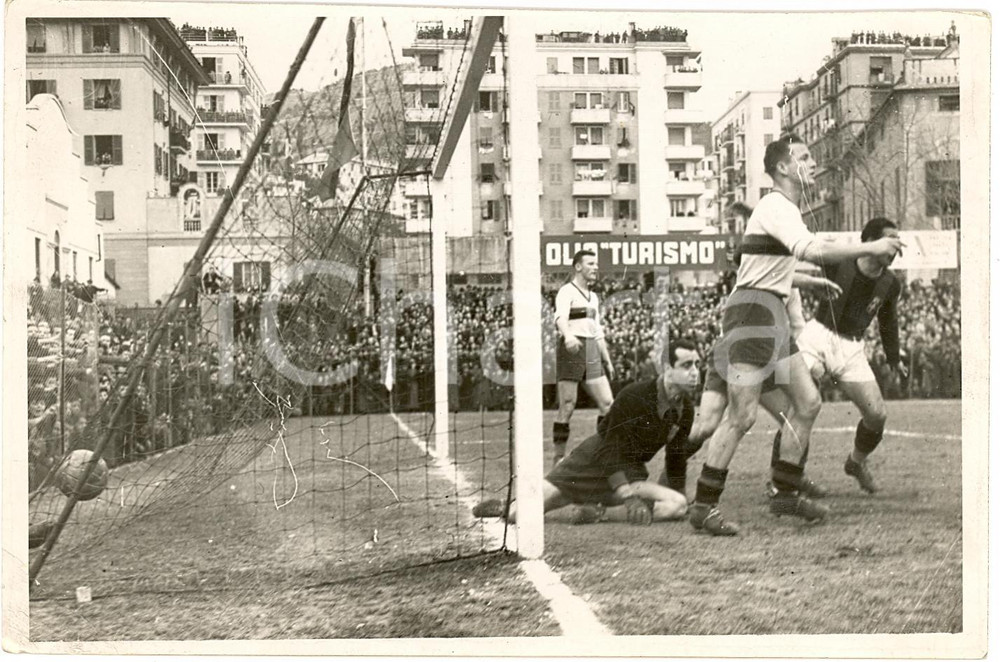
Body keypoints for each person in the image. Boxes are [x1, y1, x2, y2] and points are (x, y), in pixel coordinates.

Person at [688, 134, 903, 536]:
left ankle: (784, 490)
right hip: (753, 313)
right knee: (743, 416)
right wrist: (867, 245)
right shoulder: (775, 205)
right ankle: (704, 504)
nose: (813, 162)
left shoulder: (785, 210)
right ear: (784, 167)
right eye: (804, 157)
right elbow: (808, 249)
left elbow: (774, 263)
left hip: (769, 312)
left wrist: (803, 282)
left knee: (806, 402)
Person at [473, 340, 701, 525]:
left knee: (677, 505)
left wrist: (679, 492)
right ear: (667, 369)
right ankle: (507, 504)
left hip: (630, 475)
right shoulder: (635, 394)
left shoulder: (686, 410)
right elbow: (608, 448)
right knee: (519, 516)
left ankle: (597, 513)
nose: (695, 373)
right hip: (589, 464)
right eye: (687, 365)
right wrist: (627, 496)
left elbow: (675, 457)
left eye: (697, 365)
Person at [788, 217, 907, 494]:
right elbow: (800, 248)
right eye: (889, 239)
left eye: (896, 240)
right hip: (816, 336)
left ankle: (856, 462)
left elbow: (888, 320)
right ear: (869, 242)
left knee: (877, 415)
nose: (894, 246)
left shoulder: (891, 283)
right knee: (801, 406)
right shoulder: (839, 263)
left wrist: (893, 357)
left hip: (852, 347)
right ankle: (786, 477)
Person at [551, 250, 615, 465]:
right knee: (568, 405)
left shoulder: (594, 297)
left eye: (596, 263)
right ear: (578, 267)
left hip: (591, 349)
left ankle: (601, 457)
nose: (596, 267)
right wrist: (568, 336)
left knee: (608, 404)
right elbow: (560, 317)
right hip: (572, 346)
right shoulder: (566, 291)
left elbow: (597, 331)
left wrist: (606, 359)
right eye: (591, 263)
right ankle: (558, 458)